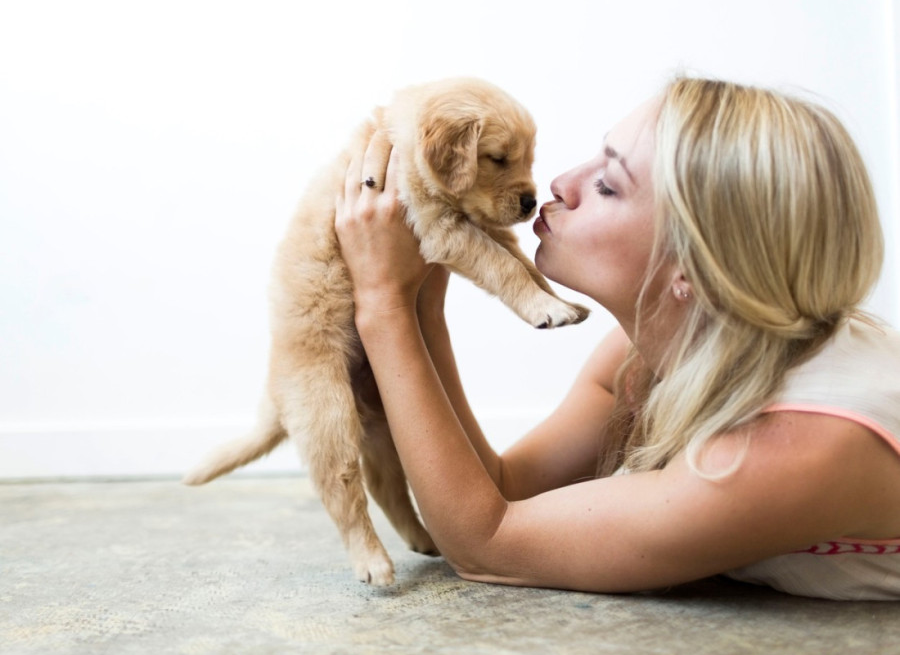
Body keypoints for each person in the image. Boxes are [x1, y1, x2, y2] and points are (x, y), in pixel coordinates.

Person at [333, 76, 900, 600]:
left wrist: (381, 300)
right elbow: (503, 489)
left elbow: (486, 543)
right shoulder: (652, 356)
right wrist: (423, 300)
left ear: (696, 269)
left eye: (607, 184)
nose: (560, 183)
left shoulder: (789, 448)